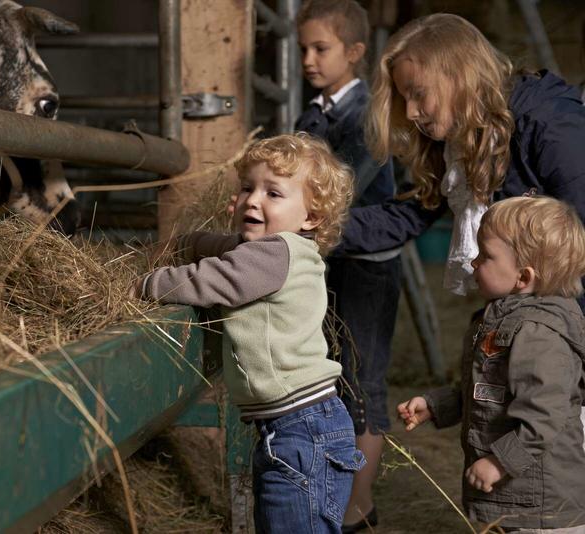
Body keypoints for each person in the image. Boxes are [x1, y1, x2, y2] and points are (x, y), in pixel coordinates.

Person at [134, 133, 364, 533]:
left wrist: (144, 284)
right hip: (294, 429)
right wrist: (188, 243)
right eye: (246, 188)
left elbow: (212, 278)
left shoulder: (273, 255)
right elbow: (225, 247)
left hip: (301, 432)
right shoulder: (279, 251)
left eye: (273, 193)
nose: (253, 200)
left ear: (311, 217)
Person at [332, 13, 585, 312]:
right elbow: (405, 216)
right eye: (404, 98)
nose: (411, 112)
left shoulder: (548, 123)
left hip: (564, 316)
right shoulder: (457, 141)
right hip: (518, 310)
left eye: (418, 94)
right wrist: (313, 226)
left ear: (458, 76)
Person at [397, 196, 585, 531]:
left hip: (538, 505)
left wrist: (500, 462)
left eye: (486, 255)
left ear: (523, 277)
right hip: (512, 498)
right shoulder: (503, 319)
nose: (473, 262)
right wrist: (437, 405)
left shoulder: (538, 335)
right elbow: (489, 389)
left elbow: (544, 415)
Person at [293, 2, 400, 530]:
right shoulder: (313, 111)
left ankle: (358, 506)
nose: (309, 59)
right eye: (304, 49)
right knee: (332, 374)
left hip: (365, 265)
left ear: (355, 53)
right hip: (326, 261)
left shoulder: (367, 116)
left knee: (362, 381)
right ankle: (339, 494)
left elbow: (343, 189)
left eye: (321, 49)